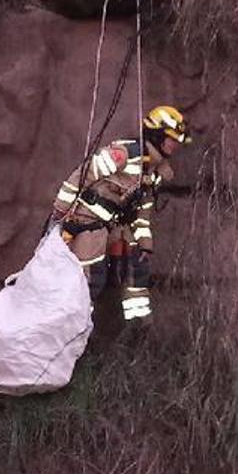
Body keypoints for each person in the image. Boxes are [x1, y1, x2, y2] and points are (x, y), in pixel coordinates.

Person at [51, 105, 191, 323]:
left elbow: (142, 209)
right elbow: (81, 176)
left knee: (137, 268)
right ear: (157, 134)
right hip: (87, 222)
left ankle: (137, 329)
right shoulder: (124, 155)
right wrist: (61, 214)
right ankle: (71, 333)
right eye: (171, 139)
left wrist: (144, 241)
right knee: (90, 279)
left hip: (115, 226)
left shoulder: (156, 171)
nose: (175, 145)